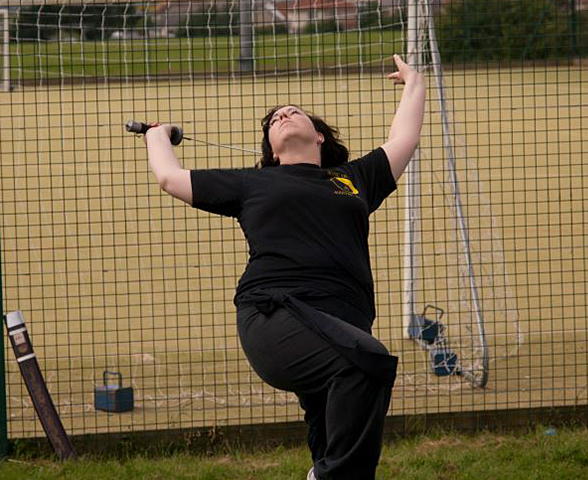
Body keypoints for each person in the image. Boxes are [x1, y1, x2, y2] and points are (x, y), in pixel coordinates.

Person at [143, 54, 426, 480]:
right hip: (274, 314)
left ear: (318, 137)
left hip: (342, 320)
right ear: (271, 152)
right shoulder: (252, 183)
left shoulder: (352, 178)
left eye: (294, 112)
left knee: (331, 424)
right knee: (367, 362)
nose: (285, 113)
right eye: (275, 118)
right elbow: (169, 177)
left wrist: (414, 83)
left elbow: (403, 139)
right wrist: (156, 134)